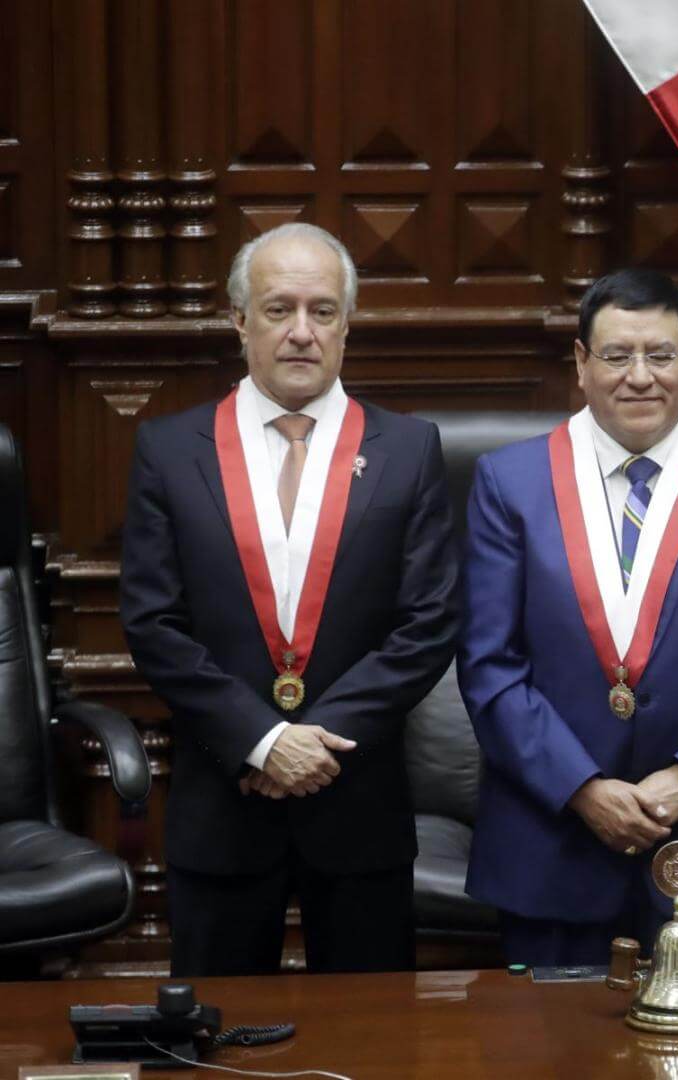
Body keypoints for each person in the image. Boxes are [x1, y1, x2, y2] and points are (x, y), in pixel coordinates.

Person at [120, 222, 459, 975]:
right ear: (239, 319)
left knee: (373, 1046)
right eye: (279, 309)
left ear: (347, 323)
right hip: (224, 808)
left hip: (358, 808)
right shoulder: (170, 451)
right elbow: (154, 624)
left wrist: (315, 741)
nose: (302, 332)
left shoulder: (409, 450)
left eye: (323, 311)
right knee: (217, 1037)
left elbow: (429, 623)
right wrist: (266, 741)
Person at [458, 267, 678, 965]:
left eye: (660, 354)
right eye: (618, 356)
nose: (640, 377)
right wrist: (582, 789)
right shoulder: (511, 481)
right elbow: (489, 664)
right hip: (552, 844)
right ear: (583, 364)